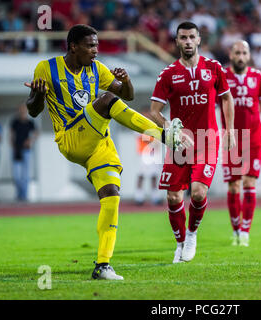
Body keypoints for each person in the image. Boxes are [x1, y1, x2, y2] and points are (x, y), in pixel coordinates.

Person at [24, 24, 187, 280]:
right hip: (71, 139)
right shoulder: (47, 68)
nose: (96, 50)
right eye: (90, 45)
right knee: (106, 101)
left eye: (97, 45)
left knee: (111, 196)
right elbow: (33, 110)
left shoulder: (96, 69)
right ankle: (165, 135)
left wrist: (127, 81)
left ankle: (103, 265)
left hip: (100, 145)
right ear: (73, 46)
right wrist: (38, 96)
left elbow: (128, 97)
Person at [150, 22, 236, 263]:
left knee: (197, 192)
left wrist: (229, 130)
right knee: (174, 197)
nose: (187, 41)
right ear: (177, 41)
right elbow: (154, 111)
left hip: (207, 139)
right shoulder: (167, 74)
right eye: (182, 38)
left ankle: (191, 235)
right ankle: (179, 243)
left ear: (199, 40)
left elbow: (227, 99)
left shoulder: (213, 68)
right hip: (180, 145)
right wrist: (169, 127)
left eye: (191, 37)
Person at [221, 40, 261, 247]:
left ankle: (245, 231)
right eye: (237, 52)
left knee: (249, 183)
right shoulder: (223, 77)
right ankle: (235, 229)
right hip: (232, 138)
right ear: (231, 54)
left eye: (244, 52)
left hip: (254, 137)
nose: (241, 56)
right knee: (234, 186)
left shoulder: (258, 77)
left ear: (249, 55)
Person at [10, 104, 38, 202]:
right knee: (17, 175)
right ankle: (19, 194)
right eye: (20, 109)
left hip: (26, 150)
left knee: (25, 175)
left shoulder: (30, 122)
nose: (22, 111)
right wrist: (13, 146)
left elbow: (36, 133)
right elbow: (11, 135)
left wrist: (30, 141)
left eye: (24, 109)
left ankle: (24, 196)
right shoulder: (15, 122)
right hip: (17, 150)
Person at [134, 131, 163, 206]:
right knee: (141, 175)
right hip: (143, 152)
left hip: (153, 153)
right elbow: (142, 136)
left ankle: (155, 197)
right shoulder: (140, 122)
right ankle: (139, 197)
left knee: (154, 175)